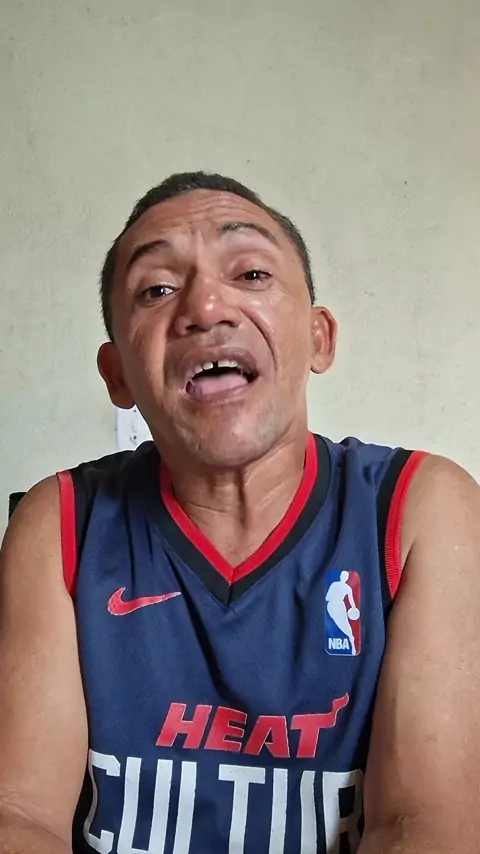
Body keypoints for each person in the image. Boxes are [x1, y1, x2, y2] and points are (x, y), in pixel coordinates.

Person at [0, 171, 479, 854]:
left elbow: (427, 825)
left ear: (319, 337)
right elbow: (20, 814)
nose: (205, 306)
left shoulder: (422, 509)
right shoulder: (60, 523)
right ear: (118, 374)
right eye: (157, 289)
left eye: (251, 274)